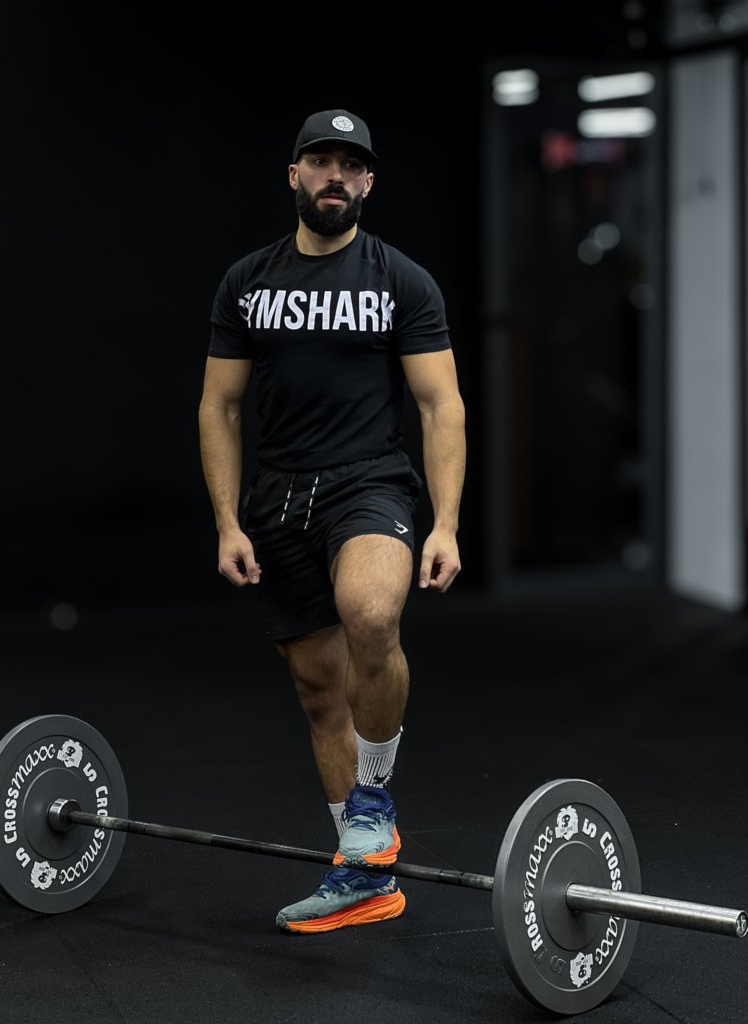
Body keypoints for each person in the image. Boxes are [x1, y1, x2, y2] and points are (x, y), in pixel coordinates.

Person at [198, 108, 466, 934]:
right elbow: (219, 406)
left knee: (372, 613)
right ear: (294, 176)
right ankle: (363, 879)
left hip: (369, 484)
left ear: (369, 184)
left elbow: (439, 404)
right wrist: (226, 523)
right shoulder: (248, 281)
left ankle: (374, 801)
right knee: (320, 694)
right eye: (320, 161)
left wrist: (445, 523)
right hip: (275, 499)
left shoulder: (402, 280)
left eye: (351, 166)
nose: (335, 177)